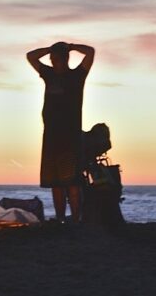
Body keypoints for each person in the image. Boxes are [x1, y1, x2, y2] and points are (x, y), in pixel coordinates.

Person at [27, 42, 95, 222]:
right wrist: (49, 49)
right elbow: (31, 56)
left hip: (70, 136)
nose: (53, 61)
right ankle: (60, 219)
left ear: (65, 59)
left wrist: (71, 46)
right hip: (51, 136)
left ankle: (76, 219)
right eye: (52, 59)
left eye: (55, 58)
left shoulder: (77, 75)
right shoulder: (49, 74)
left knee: (72, 182)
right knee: (55, 182)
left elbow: (90, 52)